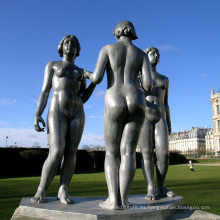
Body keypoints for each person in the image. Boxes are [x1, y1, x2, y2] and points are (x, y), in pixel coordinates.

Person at [84, 21, 152, 210]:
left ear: (116, 32)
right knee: (129, 152)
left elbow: (97, 78)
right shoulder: (142, 54)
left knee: (112, 153)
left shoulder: (107, 48)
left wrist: (85, 74)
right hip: (137, 99)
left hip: (115, 98)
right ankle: (124, 199)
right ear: (133, 33)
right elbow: (148, 86)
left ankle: (114, 200)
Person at [31, 35, 96, 204]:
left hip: (77, 112)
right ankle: (42, 189)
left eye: (73, 44)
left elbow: (83, 97)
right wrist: (38, 113)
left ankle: (63, 190)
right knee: (56, 151)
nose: (70, 45)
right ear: (61, 47)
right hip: (57, 110)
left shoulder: (81, 71)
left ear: (77, 49)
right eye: (67, 43)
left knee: (71, 152)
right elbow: (45, 91)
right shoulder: (52, 65)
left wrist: (93, 83)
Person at [138, 47, 175, 200]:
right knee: (146, 154)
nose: (155, 56)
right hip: (145, 116)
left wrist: (170, 122)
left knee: (164, 154)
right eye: (152, 53)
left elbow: (166, 103)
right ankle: (150, 187)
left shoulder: (164, 79)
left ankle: (161, 185)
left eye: (157, 54)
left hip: (161, 117)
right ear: (145, 56)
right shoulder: (138, 77)